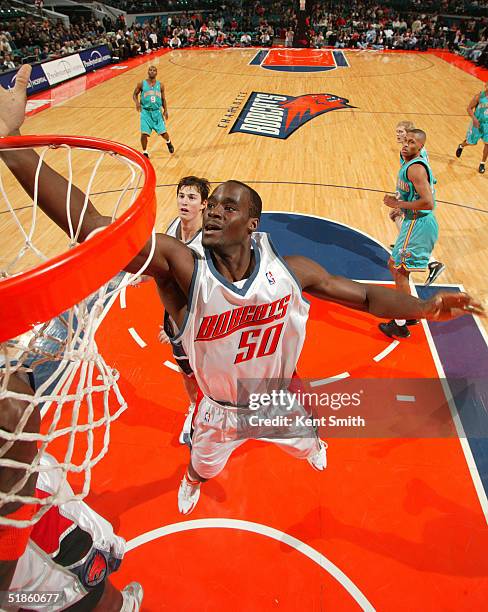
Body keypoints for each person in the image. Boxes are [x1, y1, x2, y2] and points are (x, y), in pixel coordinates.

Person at [2, 66, 484, 518]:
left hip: (275, 401)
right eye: (210, 205)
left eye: (227, 207)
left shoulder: (292, 270)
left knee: (305, 440)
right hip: (217, 410)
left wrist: (422, 307)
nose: (212, 211)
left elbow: (365, 297)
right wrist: (11, 141)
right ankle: (192, 477)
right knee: (203, 465)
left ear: (252, 225)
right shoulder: (182, 267)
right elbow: (97, 231)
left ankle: (314, 446)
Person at [159, 176, 210, 445]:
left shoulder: (210, 242)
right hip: (179, 318)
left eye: (191, 198)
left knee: (210, 373)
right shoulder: (171, 229)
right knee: (186, 372)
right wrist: (170, 320)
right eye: (181, 196)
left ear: (203, 204)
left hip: (205, 319)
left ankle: (219, 412)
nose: (184, 202)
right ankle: (194, 408)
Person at [380, 129, 441, 339]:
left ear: (420, 147)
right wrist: (402, 207)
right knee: (393, 265)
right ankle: (410, 313)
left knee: (399, 271)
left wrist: (398, 203)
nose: (406, 144)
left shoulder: (415, 168)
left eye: (412, 142)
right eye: (405, 140)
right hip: (413, 221)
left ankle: (400, 324)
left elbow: (428, 202)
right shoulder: (410, 163)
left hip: (419, 224)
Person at [391, 120, 445, 286]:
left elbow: (424, 187)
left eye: (402, 133)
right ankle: (405, 243)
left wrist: (400, 204)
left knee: (398, 269)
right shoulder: (408, 154)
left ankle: (432, 262)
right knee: (395, 217)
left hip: (418, 213)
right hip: (413, 204)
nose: (399, 136)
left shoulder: (417, 160)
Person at [133, 65, 174, 158]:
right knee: (144, 133)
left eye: (154, 70)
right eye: (150, 70)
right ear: (148, 72)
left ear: (156, 73)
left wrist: (166, 110)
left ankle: (168, 142)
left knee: (163, 133)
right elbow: (134, 95)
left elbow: (163, 99)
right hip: (145, 112)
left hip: (157, 112)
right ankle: (145, 152)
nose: (152, 71)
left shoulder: (161, 85)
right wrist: (137, 103)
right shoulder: (141, 84)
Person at [455, 81, 488, 174]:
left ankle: (482, 163)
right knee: (471, 142)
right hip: (477, 123)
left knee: (487, 144)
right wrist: (474, 119)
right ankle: (461, 145)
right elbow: (469, 108)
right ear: (486, 86)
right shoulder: (479, 96)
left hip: (487, 125)